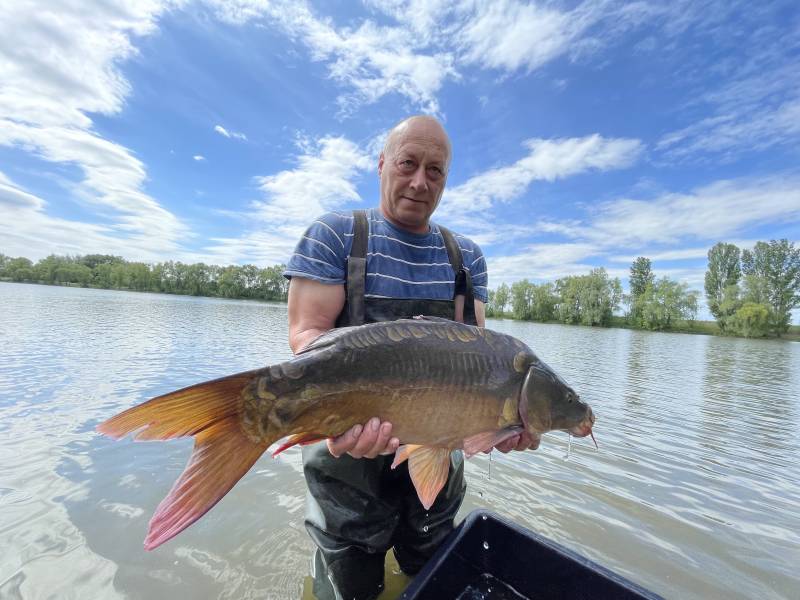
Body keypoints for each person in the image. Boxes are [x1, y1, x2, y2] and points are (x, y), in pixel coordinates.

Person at [284, 115, 538, 600]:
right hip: (347, 459)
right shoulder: (336, 235)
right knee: (349, 584)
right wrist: (345, 419)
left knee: (435, 577)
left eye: (435, 170)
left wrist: (504, 423)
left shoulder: (465, 257)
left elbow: (478, 363)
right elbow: (307, 340)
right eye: (407, 163)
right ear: (382, 164)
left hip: (438, 459)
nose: (420, 181)